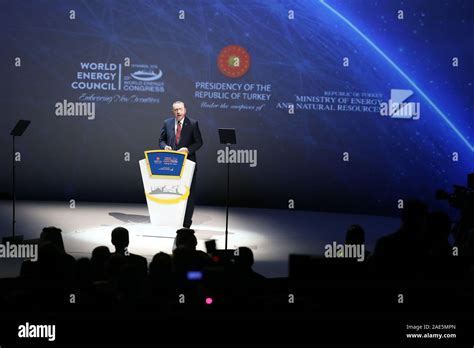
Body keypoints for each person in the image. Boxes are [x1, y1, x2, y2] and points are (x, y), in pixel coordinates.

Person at [159, 101, 203, 228]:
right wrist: (165, 146)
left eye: (180, 109)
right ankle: (172, 219)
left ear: (185, 110)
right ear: (172, 111)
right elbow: (161, 140)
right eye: (175, 110)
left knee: (188, 194)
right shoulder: (167, 123)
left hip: (188, 163)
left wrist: (188, 150)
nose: (178, 112)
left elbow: (199, 142)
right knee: (171, 192)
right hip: (171, 164)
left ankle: (186, 223)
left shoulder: (193, 124)